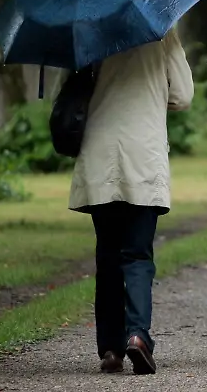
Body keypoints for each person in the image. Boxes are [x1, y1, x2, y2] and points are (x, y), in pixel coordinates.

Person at [69, 31, 194, 375]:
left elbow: (66, 94)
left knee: (108, 254)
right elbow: (183, 95)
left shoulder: (90, 27)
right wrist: (153, 97)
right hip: (143, 153)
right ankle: (137, 335)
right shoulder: (161, 32)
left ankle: (111, 349)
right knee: (138, 254)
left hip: (101, 152)